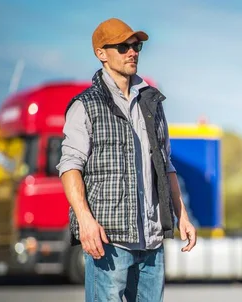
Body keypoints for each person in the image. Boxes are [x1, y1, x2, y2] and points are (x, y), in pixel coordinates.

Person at [57, 17, 197, 302]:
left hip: (152, 240)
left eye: (137, 45)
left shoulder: (152, 104)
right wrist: (85, 221)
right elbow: (70, 165)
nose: (132, 52)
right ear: (101, 53)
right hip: (110, 239)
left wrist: (181, 215)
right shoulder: (85, 105)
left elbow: (166, 165)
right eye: (123, 46)